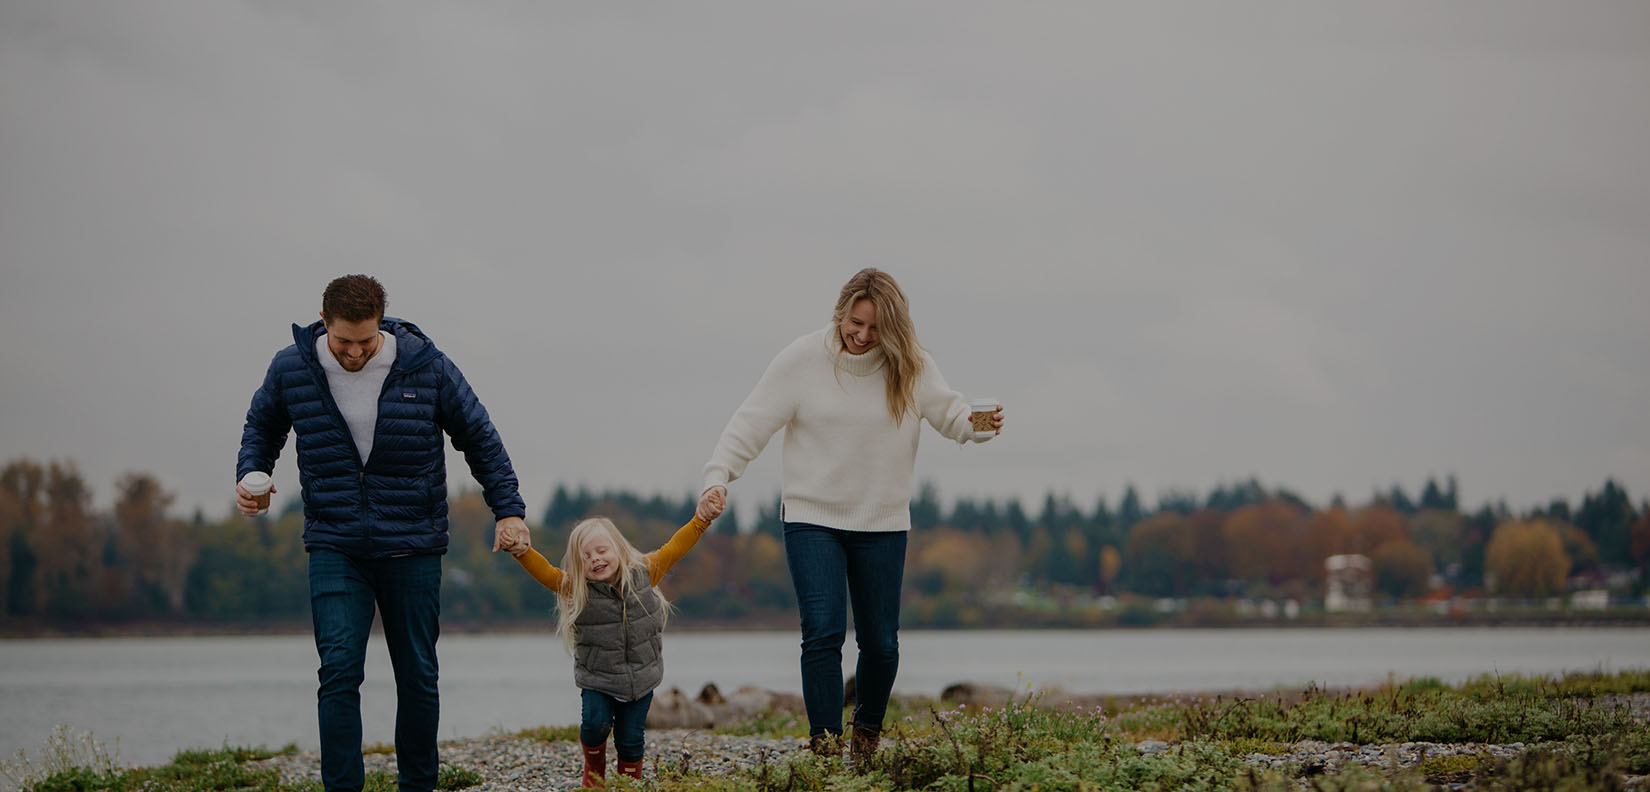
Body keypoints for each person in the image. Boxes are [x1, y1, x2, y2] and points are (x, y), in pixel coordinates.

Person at [235, 274, 532, 792]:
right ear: (324, 323)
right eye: (344, 341)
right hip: (334, 541)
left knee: (417, 674)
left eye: (366, 342)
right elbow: (262, 426)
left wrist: (507, 509)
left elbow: (479, 435)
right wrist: (250, 475)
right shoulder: (292, 366)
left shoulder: (425, 364)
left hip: (413, 541)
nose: (355, 353)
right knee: (339, 670)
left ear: (381, 326)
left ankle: (417, 786)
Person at [696, 268, 1003, 763]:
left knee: (881, 645)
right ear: (840, 313)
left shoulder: (912, 365)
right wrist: (717, 476)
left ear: (893, 329)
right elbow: (749, 422)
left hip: (882, 522)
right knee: (823, 632)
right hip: (811, 517)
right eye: (854, 323)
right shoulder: (802, 359)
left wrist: (981, 424)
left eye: (875, 328)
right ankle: (823, 747)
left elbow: (952, 414)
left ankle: (865, 739)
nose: (861, 336)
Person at [508, 490, 726, 787]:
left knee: (631, 739)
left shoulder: (645, 572)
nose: (595, 559)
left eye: (601, 550)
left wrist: (701, 520)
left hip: (641, 676)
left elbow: (677, 546)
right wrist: (522, 551)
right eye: (585, 557)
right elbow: (547, 573)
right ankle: (595, 771)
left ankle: (628, 785)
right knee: (595, 724)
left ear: (619, 549)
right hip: (597, 678)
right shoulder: (576, 589)